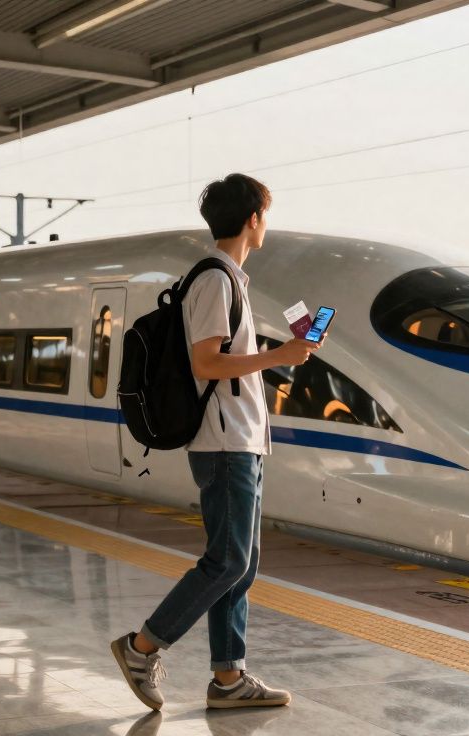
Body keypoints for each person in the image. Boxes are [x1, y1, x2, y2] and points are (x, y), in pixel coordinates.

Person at [111, 174, 320, 710]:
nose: (266, 224)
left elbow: (223, 362)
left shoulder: (232, 281)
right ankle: (142, 647)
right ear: (252, 219)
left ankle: (228, 679)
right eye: (265, 215)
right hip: (224, 442)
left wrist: (280, 355)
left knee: (241, 564)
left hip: (240, 440)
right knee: (226, 561)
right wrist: (277, 358)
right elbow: (206, 363)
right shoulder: (215, 281)